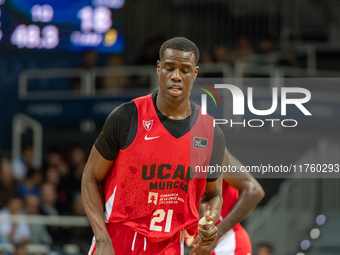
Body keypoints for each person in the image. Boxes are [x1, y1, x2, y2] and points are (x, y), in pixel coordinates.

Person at [81, 37, 226, 254]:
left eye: (185, 70)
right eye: (169, 68)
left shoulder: (211, 132)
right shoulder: (127, 116)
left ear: (195, 73)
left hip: (169, 245)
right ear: (159, 68)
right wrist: (101, 238)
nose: (176, 76)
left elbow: (213, 195)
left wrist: (210, 219)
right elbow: (90, 177)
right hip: (119, 239)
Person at [188, 149, 264, 255]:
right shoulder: (175, 150)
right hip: (203, 243)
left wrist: (217, 234)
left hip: (226, 243)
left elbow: (255, 191)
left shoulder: (213, 149)